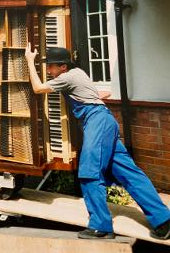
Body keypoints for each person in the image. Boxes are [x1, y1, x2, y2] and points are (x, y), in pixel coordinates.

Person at [25, 43, 170, 240]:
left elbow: (38, 88)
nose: (49, 70)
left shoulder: (67, 77)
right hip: (105, 121)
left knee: (89, 173)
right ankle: (164, 220)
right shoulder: (79, 74)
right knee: (129, 173)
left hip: (97, 121)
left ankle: (100, 227)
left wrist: (29, 61)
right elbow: (100, 95)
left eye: (51, 66)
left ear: (63, 67)